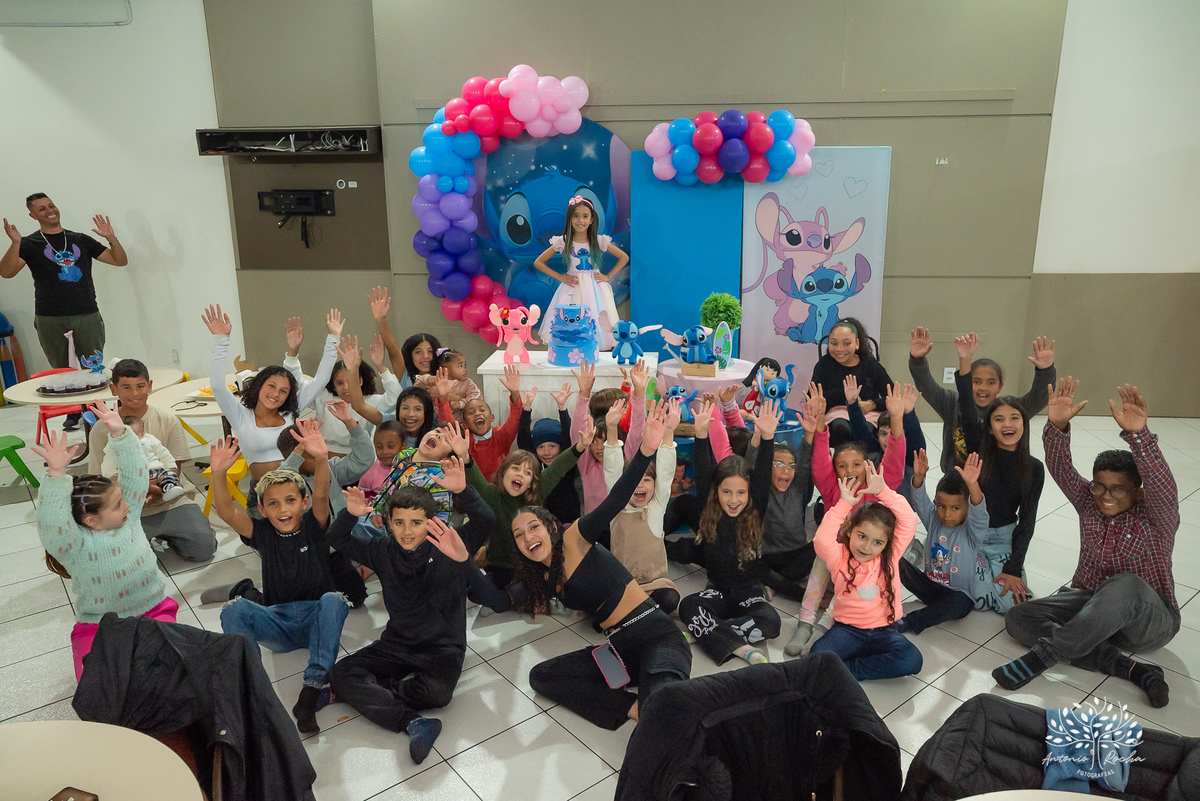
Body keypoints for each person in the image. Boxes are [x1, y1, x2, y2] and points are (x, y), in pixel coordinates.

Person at [993, 380, 1177, 708]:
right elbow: (1061, 469)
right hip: (1089, 606)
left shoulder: (1156, 517)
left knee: (1124, 585)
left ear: (1137, 493)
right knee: (1018, 618)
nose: (1106, 496)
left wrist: (1140, 436)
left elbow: (1163, 483)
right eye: (1100, 486)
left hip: (1145, 619)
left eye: (1118, 489)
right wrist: (1058, 425)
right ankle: (1130, 669)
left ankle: (1042, 658)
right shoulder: (1089, 503)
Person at [514, 402, 692, 731]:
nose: (528, 537)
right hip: (620, 648)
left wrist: (646, 452)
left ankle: (655, 707)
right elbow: (491, 595)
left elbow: (615, 499)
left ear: (552, 527)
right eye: (519, 535)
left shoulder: (575, 538)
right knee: (541, 676)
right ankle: (632, 705)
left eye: (534, 527)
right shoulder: (538, 574)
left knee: (665, 717)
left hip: (657, 637)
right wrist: (461, 559)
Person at [327, 459, 495, 763]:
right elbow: (336, 539)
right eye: (399, 522)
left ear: (431, 522)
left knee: (438, 695)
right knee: (340, 672)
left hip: (443, 648)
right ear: (389, 522)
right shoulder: (382, 549)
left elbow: (485, 519)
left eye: (416, 523)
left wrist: (464, 490)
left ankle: (372, 691)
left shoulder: (449, 544)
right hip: (398, 643)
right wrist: (349, 515)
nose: (407, 531)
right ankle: (413, 722)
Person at [208, 425, 351, 734]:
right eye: (273, 503)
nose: (282, 508)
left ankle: (310, 690)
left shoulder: (314, 525)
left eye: (290, 500)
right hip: (279, 625)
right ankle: (251, 688)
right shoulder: (261, 534)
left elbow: (324, 493)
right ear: (262, 509)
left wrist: (322, 458)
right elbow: (225, 511)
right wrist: (218, 473)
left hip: (317, 617)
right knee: (233, 609)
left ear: (304, 503)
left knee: (335, 599)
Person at [34, 402, 178, 680]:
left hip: (154, 611)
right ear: (91, 520)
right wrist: (56, 476)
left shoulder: (130, 516)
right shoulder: (72, 544)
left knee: (169, 675)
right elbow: (51, 522)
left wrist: (121, 435)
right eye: (117, 505)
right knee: (97, 686)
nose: (128, 504)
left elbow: (135, 474)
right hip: (99, 626)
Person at [789, 383, 908, 657]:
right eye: (842, 465)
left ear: (868, 465)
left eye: (856, 464)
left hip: (866, 566)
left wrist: (897, 420)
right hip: (835, 556)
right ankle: (806, 622)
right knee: (820, 561)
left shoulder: (878, 486)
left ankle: (823, 627)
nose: (850, 470)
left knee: (851, 582)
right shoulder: (832, 488)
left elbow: (894, 461)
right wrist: (819, 418)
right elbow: (820, 461)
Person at [3, 195, 128, 429]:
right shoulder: (28, 244)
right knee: (61, 370)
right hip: (49, 317)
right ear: (33, 215)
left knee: (94, 367)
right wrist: (14, 244)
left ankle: (96, 410)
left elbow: (119, 261)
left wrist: (112, 239)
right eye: (42, 209)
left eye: (51, 205)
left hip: (86, 313)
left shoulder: (80, 239)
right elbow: (6, 272)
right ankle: (73, 412)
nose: (49, 211)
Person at [677, 399, 783, 666]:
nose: (733, 500)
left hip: (749, 592)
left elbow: (761, 476)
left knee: (772, 621)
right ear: (717, 493)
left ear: (749, 494)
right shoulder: (708, 506)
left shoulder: (755, 506)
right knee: (688, 606)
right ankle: (742, 648)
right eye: (726, 492)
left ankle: (709, 633)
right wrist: (701, 435)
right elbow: (703, 472)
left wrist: (768, 438)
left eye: (740, 493)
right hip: (718, 592)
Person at [87, 358, 216, 562]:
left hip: (169, 500)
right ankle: (144, 539)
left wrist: (157, 492)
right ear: (114, 389)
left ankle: (169, 535)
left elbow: (175, 465)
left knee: (203, 548)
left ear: (150, 386)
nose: (135, 393)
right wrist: (138, 492)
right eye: (126, 387)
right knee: (121, 559)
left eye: (140, 386)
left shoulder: (167, 420)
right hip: (127, 507)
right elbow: (100, 480)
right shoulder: (102, 430)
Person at [458, 416, 588, 613]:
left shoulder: (535, 497)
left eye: (527, 473)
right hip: (498, 570)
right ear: (503, 474)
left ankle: (509, 601)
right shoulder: (493, 497)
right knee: (473, 593)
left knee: (513, 594)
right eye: (516, 469)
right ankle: (513, 600)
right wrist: (465, 456)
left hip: (529, 570)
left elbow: (559, 467)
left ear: (532, 483)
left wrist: (580, 447)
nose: (520, 474)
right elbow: (475, 480)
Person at [954, 334, 1044, 613]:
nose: (1008, 424)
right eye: (999, 419)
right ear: (989, 427)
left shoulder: (1034, 467)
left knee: (1010, 608)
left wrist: (1014, 567)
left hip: (1004, 536)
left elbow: (1027, 522)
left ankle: (997, 576)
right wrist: (965, 360)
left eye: (1015, 418)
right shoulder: (978, 451)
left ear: (1024, 424)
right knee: (980, 604)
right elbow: (968, 411)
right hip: (972, 534)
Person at [201, 303, 340, 482]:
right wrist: (221, 341)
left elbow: (321, 380)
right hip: (263, 495)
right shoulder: (241, 417)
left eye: (284, 391)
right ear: (259, 385)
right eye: (271, 386)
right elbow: (219, 387)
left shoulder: (289, 413)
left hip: (297, 489)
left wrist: (333, 338)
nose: (275, 394)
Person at [809, 465, 922, 680]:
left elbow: (909, 520)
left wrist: (884, 492)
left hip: (885, 631)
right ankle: (846, 665)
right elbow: (821, 540)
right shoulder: (839, 556)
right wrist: (843, 505)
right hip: (848, 631)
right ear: (850, 530)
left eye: (877, 542)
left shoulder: (890, 556)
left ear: (886, 544)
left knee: (912, 659)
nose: (867, 547)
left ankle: (849, 670)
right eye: (862, 536)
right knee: (817, 656)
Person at [909, 326, 1056, 471]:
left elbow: (1039, 398)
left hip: (994, 477)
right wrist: (917, 360)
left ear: (1000, 386)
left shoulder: (1009, 410)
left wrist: (1045, 370)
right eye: (976, 381)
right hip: (955, 477)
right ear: (967, 382)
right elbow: (927, 386)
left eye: (991, 382)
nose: (983, 388)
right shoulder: (952, 403)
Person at [603, 398, 682, 614]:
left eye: (647, 479)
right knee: (602, 603)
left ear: (654, 485)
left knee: (670, 598)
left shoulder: (656, 508)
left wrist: (668, 432)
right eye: (635, 480)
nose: (640, 484)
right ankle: (641, 613)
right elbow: (612, 471)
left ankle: (640, 613)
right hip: (623, 587)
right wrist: (611, 429)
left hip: (655, 586)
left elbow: (666, 474)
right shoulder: (617, 507)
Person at [896, 450, 988, 634]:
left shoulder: (972, 531)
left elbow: (979, 513)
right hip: (929, 587)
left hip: (958, 596)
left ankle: (909, 623)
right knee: (893, 560)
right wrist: (919, 477)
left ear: (967, 507)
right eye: (941, 506)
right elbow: (919, 500)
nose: (946, 514)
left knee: (959, 603)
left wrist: (972, 485)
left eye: (955, 508)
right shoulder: (933, 519)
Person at [283, 314, 401, 454]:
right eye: (339, 383)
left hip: (359, 460)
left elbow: (396, 398)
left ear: (361, 381)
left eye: (350, 381)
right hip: (325, 456)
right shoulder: (324, 397)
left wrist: (382, 367)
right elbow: (297, 388)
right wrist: (292, 353)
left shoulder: (372, 402)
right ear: (333, 385)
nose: (346, 388)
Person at [534, 196, 629, 350]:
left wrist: (608, 276)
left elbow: (624, 257)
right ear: (570, 219)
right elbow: (538, 262)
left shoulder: (599, 241)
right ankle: (574, 355)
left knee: (595, 319)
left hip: (595, 290)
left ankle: (592, 354)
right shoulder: (564, 241)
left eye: (585, 216)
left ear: (591, 219)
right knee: (570, 324)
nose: (580, 221)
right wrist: (560, 277)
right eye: (576, 216)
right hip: (572, 288)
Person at [570, 359, 648, 515]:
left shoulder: (627, 457)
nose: (599, 447)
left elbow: (637, 431)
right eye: (594, 441)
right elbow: (577, 432)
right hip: (596, 530)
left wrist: (639, 393)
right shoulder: (587, 465)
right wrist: (583, 394)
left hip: (623, 528)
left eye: (605, 441)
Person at [744, 432, 815, 601]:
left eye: (791, 466)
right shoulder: (760, 492)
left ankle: (776, 583)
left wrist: (810, 433)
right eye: (779, 464)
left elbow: (805, 462)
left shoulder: (796, 488)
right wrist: (758, 435)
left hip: (798, 553)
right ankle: (779, 583)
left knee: (821, 546)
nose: (786, 470)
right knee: (752, 565)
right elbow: (750, 465)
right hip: (770, 556)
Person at [809, 318, 894, 447]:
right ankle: (840, 464)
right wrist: (847, 398)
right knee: (841, 427)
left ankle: (867, 464)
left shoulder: (870, 365)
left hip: (867, 414)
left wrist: (871, 404)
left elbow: (892, 397)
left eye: (846, 343)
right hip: (837, 414)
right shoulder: (824, 365)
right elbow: (813, 398)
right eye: (834, 343)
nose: (839, 349)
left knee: (866, 430)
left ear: (857, 344)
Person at [434, 364, 521, 481]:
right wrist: (443, 397)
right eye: (471, 412)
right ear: (464, 424)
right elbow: (448, 424)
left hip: (496, 490)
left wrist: (515, 394)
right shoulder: (464, 439)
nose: (477, 413)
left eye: (482, 410)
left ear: (492, 417)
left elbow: (514, 420)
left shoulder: (500, 436)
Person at [517, 382, 580, 523]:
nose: (546, 452)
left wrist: (562, 409)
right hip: (540, 518)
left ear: (560, 446)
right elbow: (523, 440)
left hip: (568, 516)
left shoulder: (566, 464)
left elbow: (569, 437)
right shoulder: (534, 464)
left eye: (552, 446)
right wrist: (526, 409)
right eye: (541, 447)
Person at [102, 416, 185, 502]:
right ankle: (141, 497)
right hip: (134, 475)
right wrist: (113, 475)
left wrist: (171, 466)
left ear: (143, 434)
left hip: (156, 470)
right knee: (126, 485)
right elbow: (109, 462)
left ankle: (169, 489)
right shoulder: (114, 447)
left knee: (169, 475)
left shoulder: (150, 440)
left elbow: (163, 454)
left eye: (135, 435)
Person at [417, 348, 481, 422]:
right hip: (436, 423)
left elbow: (477, 397)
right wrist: (427, 378)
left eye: (465, 366)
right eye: (460, 366)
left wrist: (461, 403)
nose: (465, 370)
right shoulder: (437, 381)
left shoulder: (467, 383)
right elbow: (417, 386)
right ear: (446, 369)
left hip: (460, 424)